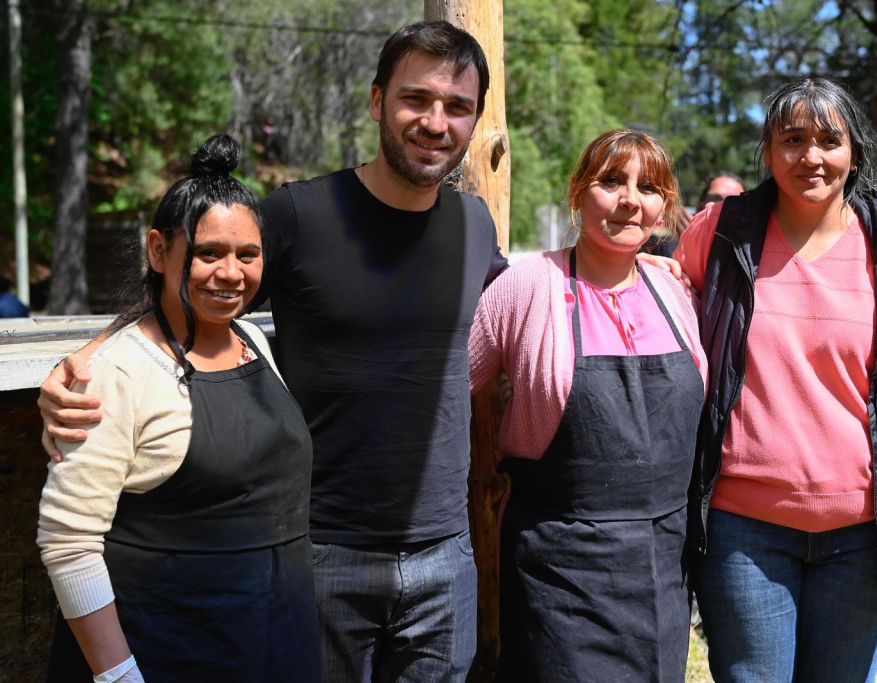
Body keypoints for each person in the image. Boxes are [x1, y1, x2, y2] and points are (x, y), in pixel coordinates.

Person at [37, 21, 682, 681]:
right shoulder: (298, 215)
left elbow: (547, 295)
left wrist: (654, 272)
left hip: (446, 557)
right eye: (416, 100)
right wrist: (88, 357)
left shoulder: (472, 223)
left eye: (457, 107)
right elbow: (193, 281)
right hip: (318, 554)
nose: (436, 122)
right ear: (377, 102)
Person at [677, 78, 877, 682]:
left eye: (829, 140)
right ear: (768, 150)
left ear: (854, 152)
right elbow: (665, 310)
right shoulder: (721, 234)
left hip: (863, 539)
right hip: (741, 533)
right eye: (793, 139)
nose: (811, 155)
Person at [37, 135, 320, 682]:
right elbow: (68, 542)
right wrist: (118, 675)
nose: (231, 273)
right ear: (158, 251)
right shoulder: (117, 372)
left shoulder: (252, 341)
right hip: (166, 655)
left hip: (271, 644)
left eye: (248, 255)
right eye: (208, 253)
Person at [470, 130, 707, 682]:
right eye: (611, 182)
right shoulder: (527, 287)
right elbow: (445, 387)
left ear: (665, 208)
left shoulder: (677, 293)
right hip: (560, 571)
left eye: (648, 187)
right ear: (578, 193)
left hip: (663, 566)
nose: (630, 199)